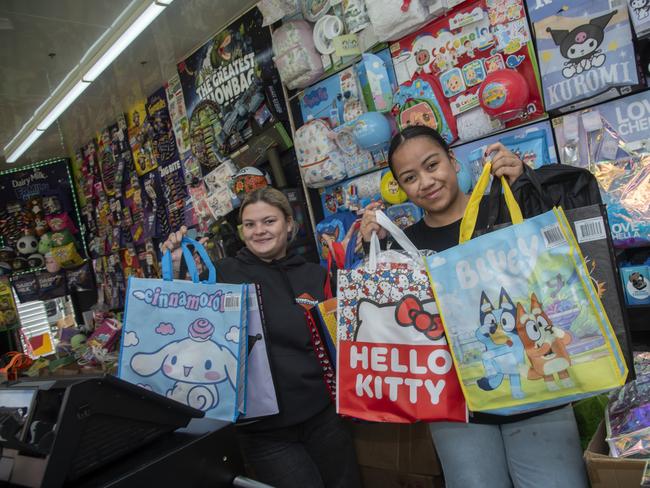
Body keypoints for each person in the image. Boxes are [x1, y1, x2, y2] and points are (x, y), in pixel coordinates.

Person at [359, 125, 588, 488]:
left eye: (432, 165)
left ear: (452, 160)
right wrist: (370, 250)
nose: (426, 181)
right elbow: (386, 328)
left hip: (538, 393)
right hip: (457, 410)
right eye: (410, 177)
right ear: (401, 189)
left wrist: (528, 189)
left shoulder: (507, 209)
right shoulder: (403, 248)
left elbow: (566, 260)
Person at [161, 187, 361, 488]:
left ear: (289, 224)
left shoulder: (313, 275)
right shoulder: (223, 275)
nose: (259, 231)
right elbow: (185, 314)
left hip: (323, 417)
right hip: (264, 432)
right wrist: (179, 268)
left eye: (269, 221)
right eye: (250, 225)